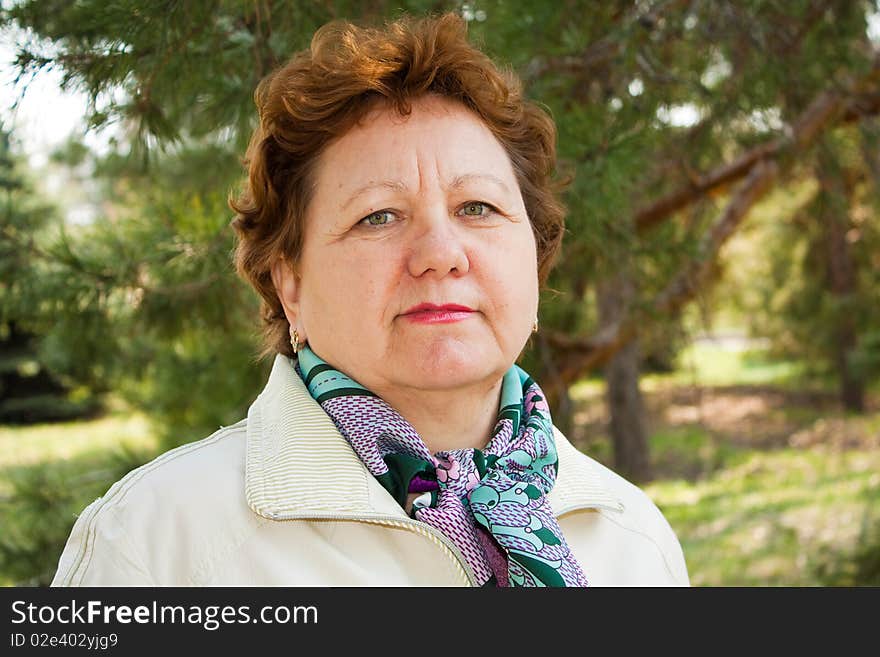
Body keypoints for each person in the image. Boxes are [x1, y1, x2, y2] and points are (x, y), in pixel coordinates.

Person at [52, 12, 688, 587]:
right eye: (379, 216)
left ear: (535, 255)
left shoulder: (633, 537)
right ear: (289, 282)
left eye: (478, 207)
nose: (441, 251)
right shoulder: (157, 543)